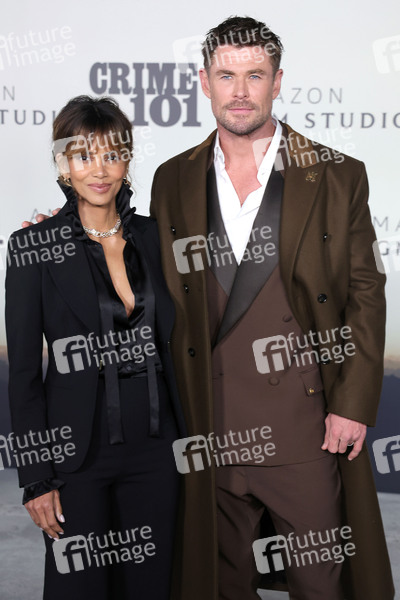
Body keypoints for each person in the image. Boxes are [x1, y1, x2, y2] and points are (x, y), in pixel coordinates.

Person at [22, 16, 395, 600]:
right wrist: (63, 230)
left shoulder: (337, 174)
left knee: (322, 584)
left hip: (305, 429)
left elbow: (366, 293)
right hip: (206, 429)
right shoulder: (175, 177)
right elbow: (129, 246)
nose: (240, 91)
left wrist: (352, 405)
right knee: (217, 585)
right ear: (204, 82)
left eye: (255, 75)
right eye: (226, 75)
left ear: (278, 81)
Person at [6, 95, 186, 600]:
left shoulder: (157, 238)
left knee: (152, 587)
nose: (99, 170)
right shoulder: (32, 247)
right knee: (79, 588)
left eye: (112, 154)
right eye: (83, 155)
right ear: (64, 164)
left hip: (157, 450)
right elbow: (23, 375)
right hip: (76, 456)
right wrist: (36, 478)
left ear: (127, 160)